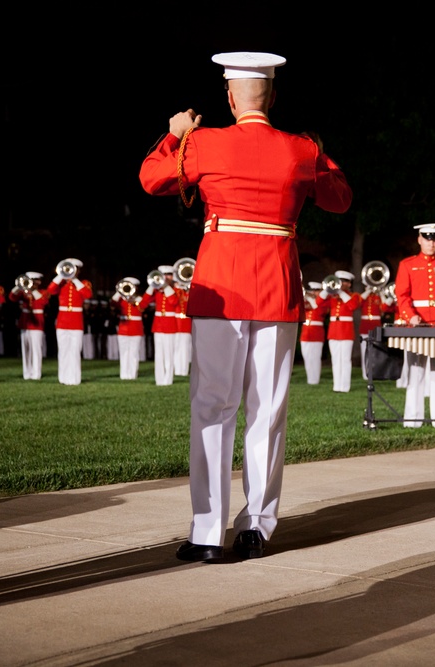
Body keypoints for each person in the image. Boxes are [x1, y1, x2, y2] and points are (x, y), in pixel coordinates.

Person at [139, 50, 352, 561]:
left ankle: (207, 533)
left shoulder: (206, 142)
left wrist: (175, 134)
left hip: (221, 286)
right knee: (267, 412)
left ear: (230, 98)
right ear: (273, 97)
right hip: (277, 287)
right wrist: (316, 158)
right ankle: (256, 526)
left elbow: (151, 179)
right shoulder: (300, 149)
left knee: (213, 408)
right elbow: (340, 198)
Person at [394, 223, 435, 427]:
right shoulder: (407, 264)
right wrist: (410, 316)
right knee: (416, 372)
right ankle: (413, 419)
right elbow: (402, 295)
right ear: (419, 239)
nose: (431, 243)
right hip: (417, 325)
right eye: (427, 238)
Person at [47, 258, 92, 385]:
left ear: (78, 270)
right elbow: (50, 290)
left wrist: (74, 279)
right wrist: (60, 275)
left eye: (73, 268)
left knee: (75, 351)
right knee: (63, 351)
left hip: (76, 322)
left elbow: (87, 294)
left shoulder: (83, 283)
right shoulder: (61, 284)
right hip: (62, 321)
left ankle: (74, 379)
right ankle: (63, 378)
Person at [321, 270, 362, 393]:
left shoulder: (353, 296)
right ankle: (336, 385)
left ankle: (345, 386)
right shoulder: (332, 297)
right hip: (334, 331)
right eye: (339, 281)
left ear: (349, 284)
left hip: (346, 331)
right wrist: (327, 288)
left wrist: (341, 292)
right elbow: (318, 303)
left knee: (345, 359)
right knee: (335, 359)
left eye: (344, 281)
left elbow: (352, 306)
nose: (341, 283)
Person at [10, 271, 49, 380]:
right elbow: (12, 297)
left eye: (33, 281)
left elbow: (43, 301)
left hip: (37, 324)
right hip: (25, 323)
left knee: (36, 349)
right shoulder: (23, 293)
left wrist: (32, 290)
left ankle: (36, 373)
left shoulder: (42, 292)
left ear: (38, 281)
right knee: (25, 349)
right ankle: (27, 373)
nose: (31, 283)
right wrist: (19, 286)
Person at [147, 266, 179, 386]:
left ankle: (168, 379)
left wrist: (165, 286)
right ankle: (159, 380)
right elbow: (144, 302)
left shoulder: (176, 289)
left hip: (170, 325)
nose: (166, 277)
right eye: (163, 274)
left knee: (169, 354)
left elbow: (174, 302)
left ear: (173, 276)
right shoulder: (157, 291)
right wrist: (152, 285)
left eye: (169, 274)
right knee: (159, 354)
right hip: (158, 325)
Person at [111, 278, 147, 380]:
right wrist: (119, 292)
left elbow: (143, 306)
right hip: (123, 329)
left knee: (134, 352)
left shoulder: (139, 299)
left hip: (135, 329)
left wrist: (134, 297)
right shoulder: (121, 300)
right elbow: (112, 304)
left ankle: (132, 374)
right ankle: (124, 374)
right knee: (123, 352)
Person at [300, 281, 327, 385]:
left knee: (315, 357)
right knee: (307, 356)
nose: (314, 292)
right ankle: (310, 378)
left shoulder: (323, 302)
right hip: (306, 333)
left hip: (317, 333)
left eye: (316, 290)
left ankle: (315, 380)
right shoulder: (308, 302)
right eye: (313, 290)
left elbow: (318, 310)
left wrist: (311, 299)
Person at [174, 279, 192, 378]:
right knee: (176, 347)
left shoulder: (189, 293)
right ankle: (177, 369)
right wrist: (178, 288)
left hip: (186, 323)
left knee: (185, 348)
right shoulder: (177, 291)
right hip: (176, 323)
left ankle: (184, 370)